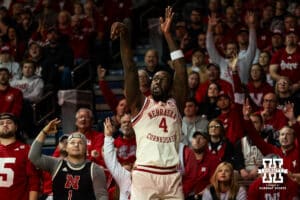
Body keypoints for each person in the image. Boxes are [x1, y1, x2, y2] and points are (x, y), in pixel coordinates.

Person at [110, 6, 187, 199]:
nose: (156, 81)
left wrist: (168, 35)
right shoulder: (139, 104)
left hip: (171, 175)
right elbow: (129, 67)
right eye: (154, 79)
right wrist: (124, 36)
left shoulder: (176, 103)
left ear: (170, 86)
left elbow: (181, 69)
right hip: (145, 174)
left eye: (163, 78)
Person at [29, 118, 108, 200]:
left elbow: (102, 197)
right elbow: (33, 156)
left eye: (80, 143)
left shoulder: (95, 169)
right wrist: (44, 132)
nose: (76, 145)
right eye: (72, 142)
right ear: (66, 148)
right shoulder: (56, 163)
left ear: (86, 149)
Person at [0, 113, 40, 200]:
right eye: (1, 123)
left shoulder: (27, 150)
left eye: (9, 122)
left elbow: (34, 182)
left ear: (16, 127)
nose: (5, 124)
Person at [269, 28, 300, 94]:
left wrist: (298, 85)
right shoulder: (279, 53)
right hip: (282, 87)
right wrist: (282, 79)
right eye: (289, 36)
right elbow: (272, 72)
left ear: (298, 39)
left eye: (294, 36)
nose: (291, 38)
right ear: (285, 39)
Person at [191, 131, 215, 200]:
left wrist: (204, 192)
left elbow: (214, 182)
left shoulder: (213, 159)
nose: (197, 141)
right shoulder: (184, 157)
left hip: (204, 196)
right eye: (195, 138)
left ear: (207, 142)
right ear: (192, 141)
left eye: (201, 138)